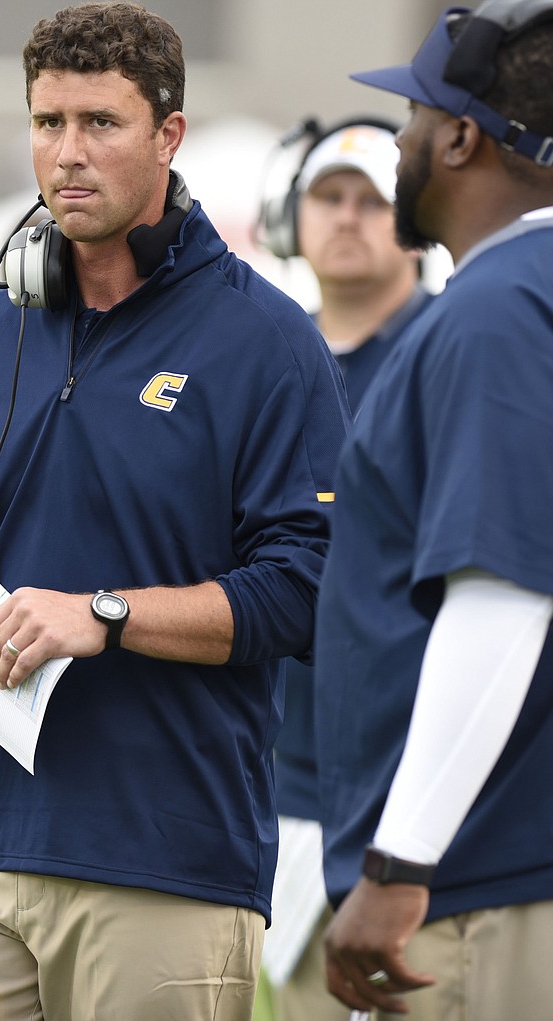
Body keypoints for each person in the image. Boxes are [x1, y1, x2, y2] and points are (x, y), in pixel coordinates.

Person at [0, 4, 351, 1020]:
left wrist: (105, 612)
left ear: (167, 136)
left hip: (165, 857)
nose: (66, 153)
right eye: (47, 123)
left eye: (100, 123)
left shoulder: (264, 340)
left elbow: (306, 589)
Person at [312, 3, 553, 1019]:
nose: (400, 140)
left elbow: (501, 593)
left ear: (459, 134)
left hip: (477, 877)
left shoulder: (497, 308)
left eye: (411, 115)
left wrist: (398, 862)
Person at [255, 118, 434, 1021]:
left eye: (375, 199)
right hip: (278, 781)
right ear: (291, 215)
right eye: (330, 195)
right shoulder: (264, 363)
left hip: (424, 789)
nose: (350, 217)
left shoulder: (450, 354)